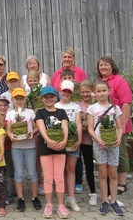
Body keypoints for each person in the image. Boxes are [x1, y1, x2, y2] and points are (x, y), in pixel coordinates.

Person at [97, 56, 133, 199]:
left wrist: (122, 125)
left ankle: (122, 182)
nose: (103, 67)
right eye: (101, 65)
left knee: (120, 152)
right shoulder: (100, 82)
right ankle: (110, 178)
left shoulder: (118, 80)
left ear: (112, 66)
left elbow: (126, 103)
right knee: (108, 151)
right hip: (105, 126)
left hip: (119, 122)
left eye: (106, 65)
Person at [86, 80, 124, 216]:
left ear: (109, 91)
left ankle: (114, 200)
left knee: (113, 174)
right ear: (95, 93)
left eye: (104, 90)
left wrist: (119, 137)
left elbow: (120, 127)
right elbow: (90, 128)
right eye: (99, 91)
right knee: (102, 173)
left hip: (113, 144)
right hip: (99, 144)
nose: (101, 93)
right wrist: (98, 140)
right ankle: (104, 201)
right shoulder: (92, 108)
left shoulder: (115, 108)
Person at [34, 86, 70, 219]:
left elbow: (65, 127)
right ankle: (49, 205)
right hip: (45, 149)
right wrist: (48, 141)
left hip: (61, 148)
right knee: (48, 178)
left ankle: (61, 205)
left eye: (51, 97)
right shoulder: (40, 113)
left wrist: (65, 141)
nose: (49, 99)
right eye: (46, 97)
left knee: (59, 177)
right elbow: (42, 129)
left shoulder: (61, 112)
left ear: (56, 97)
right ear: (42, 99)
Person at [6, 88, 41, 212]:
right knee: (18, 173)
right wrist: (10, 136)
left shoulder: (30, 112)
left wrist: (33, 132)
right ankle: (20, 198)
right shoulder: (10, 114)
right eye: (17, 99)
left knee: (32, 173)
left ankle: (34, 197)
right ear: (12, 100)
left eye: (21, 98)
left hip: (30, 146)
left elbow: (36, 128)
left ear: (25, 99)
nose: (19, 101)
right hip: (16, 147)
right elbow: (8, 130)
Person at [54, 81, 83, 212]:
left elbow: (78, 124)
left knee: (71, 168)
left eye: (69, 91)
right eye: (64, 90)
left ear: (72, 93)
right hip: (59, 142)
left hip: (72, 142)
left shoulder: (76, 107)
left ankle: (71, 197)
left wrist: (80, 139)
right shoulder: (55, 106)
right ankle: (62, 197)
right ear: (60, 91)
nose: (66, 93)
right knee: (60, 170)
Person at [78, 80, 98, 206]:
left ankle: (109, 194)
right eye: (83, 92)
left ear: (92, 91)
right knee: (88, 166)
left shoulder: (96, 103)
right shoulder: (78, 105)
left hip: (98, 139)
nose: (85, 94)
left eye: (88, 92)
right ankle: (93, 193)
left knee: (102, 167)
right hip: (85, 140)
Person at [0, 95, 15, 204]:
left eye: (5, 105)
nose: (2, 107)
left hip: (8, 149)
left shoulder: (10, 118)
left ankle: (9, 195)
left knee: (8, 173)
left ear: (8, 107)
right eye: (0, 105)